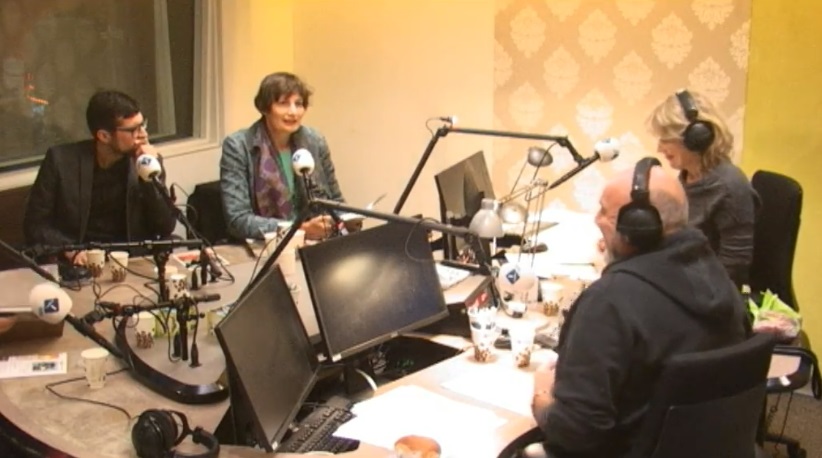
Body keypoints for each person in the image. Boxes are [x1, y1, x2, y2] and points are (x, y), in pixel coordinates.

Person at [529, 159, 749, 458]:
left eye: (604, 211)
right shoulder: (718, 278)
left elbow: (576, 431)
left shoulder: (608, 301)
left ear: (638, 227)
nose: (596, 220)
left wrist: (542, 396)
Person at [23, 91, 177, 264]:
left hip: (129, 260)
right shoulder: (60, 161)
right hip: (80, 260)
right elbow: (35, 224)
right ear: (104, 136)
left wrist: (147, 176)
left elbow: (165, 226)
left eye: (143, 125)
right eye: (133, 130)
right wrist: (69, 249)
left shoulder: (147, 161)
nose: (143, 135)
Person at [648, 89, 759, 288]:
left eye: (665, 139)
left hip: (708, 293)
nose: (659, 149)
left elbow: (733, 267)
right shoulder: (688, 176)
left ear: (697, 137)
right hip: (686, 278)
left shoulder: (729, 187)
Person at [220, 72, 349, 241]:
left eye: (299, 104)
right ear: (265, 108)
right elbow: (238, 220)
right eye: (283, 104)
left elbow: (336, 201)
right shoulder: (238, 146)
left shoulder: (315, 141)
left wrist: (348, 220)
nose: (293, 112)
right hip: (266, 246)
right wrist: (300, 229)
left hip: (317, 243)